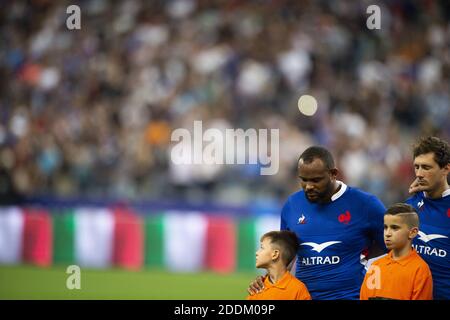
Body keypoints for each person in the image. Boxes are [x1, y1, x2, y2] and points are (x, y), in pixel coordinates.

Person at [248, 146, 387, 299]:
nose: (309, 186)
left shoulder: (365, 204)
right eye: (303, 179)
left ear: (333, 174)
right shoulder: (292, 205)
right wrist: (265, 281)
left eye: (316, 180)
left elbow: (393, 247)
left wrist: (364, 258)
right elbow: (283, 259)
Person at [406, 136, 450, 300]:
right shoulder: (411, 204)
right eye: (416, 167)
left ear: (446, 169)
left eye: (426, 167)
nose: (419, 174)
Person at [360, 203, 433, 300]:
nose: (387, 233)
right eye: (385, 227)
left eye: (395, 228)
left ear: (412, 232)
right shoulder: (375, 266)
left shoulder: (420, 270)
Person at [247, 230, 311, 300]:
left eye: (262, 248)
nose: (257, 253)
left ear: (275, 254)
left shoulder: (298, 289)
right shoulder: (257, 289)